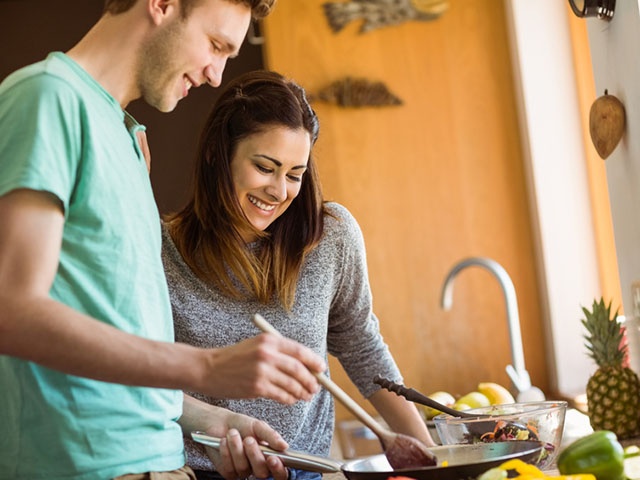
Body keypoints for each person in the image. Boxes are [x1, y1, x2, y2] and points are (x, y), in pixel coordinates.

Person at [0, 1, 328, 479]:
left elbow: (117, 344)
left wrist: (212, 421)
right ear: (162, 4)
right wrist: (207, 367)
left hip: (159, 465)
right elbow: (13, 311)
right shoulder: (49, 98)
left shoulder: (128, 138)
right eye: (216, 45)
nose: (217, 76)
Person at [162, 70, 435, 480]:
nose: (279, 190)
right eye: (265, 167)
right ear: (217, 154)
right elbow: (141, 376)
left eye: (294, 174)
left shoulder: (332, 236)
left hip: (303, 470)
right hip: (193, 471)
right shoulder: (161, 249)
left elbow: (362, 346)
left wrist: (432, 459)